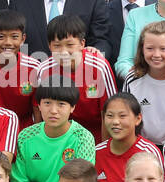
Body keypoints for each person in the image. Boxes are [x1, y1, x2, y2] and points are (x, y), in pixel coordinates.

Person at [10, 82, 97, 182]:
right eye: (47, 103)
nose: (53, 111)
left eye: (61, 104)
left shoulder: (83, 137)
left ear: (72, 107)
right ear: (39, 105)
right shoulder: (25, 136)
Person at [36, 15, 117, 144]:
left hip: (96, 136)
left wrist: (103, 148)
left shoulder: (99, 66)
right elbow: (39, 110)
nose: (63, 52)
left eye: (69, 45)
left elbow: (110, 110)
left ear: (82, 44)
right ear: (49, 46)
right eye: (57, 46)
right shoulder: (44, 69)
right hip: (60, 138)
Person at [122, 21, 165, 147]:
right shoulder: (132, 80)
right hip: (143, 148)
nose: (156, 55)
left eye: (163, 49)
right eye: (150, 48)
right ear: (141, 49)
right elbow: (127, 119)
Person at [94, 93, 162, 182]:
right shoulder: (96, 152)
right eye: (110, 116)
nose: (115, 121)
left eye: (122, 116)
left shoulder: (149, 152)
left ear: (138, 119)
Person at [0, 9, 40, 129]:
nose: (8, 42)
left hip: (24, 130)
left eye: (14, 37)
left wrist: (36, 136)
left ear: (23, 39)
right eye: (1, 37)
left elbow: (37, 107)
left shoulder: (34, 68)